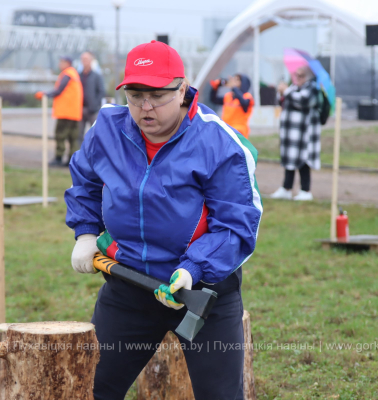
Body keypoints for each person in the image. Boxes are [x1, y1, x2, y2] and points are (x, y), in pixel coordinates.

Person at [65, 40, 263, 400]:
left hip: (202, 294)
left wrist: (193, 268)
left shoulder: (219, 142)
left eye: (157, 95)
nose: (145, 107)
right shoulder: (108, 129)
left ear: (183, 89)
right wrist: (85, 231)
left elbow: (237, 225)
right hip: (128, 285)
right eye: (136, 95)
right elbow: (86, 182)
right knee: (93, 389)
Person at [270, 66, 320, 201]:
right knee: (289, 161)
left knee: (303, 161)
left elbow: (303, 101)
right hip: (291, 134)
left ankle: (305, 190)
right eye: (296, 75)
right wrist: (282, 92)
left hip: (304, 134)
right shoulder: (293, 87)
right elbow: (283, 102)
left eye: (301, 75)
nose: (298, 78)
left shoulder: (312, 88)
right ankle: (286, 188)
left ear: (308, 77)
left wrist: (285, 91)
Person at [36, 56, 83, 167]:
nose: (59, 65)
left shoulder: (67, 74)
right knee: (73, 137)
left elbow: (59, 90)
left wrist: (45, 94)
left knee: (60, 135)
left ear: (67, 63)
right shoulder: (74, 74)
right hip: (74, 112)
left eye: (61, 62)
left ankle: (59, 157)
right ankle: (72, 160)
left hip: (65, 112)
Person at [78, 51, 106, 146]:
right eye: (82, 59)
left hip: (92, 110)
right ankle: (79, 156)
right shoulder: (78, 76)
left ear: (91, 60)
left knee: (95, 134)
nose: (84, 61)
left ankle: (95, 156)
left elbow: (101, 91)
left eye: (86, 59)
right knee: (78, 135)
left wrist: (95, 104)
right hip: (80, 109)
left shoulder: (96, 76)